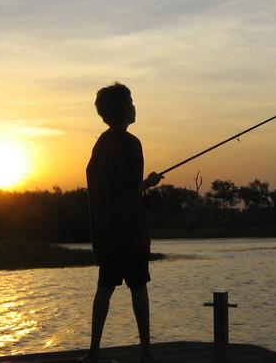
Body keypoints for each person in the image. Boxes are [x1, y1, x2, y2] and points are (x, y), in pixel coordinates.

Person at [80, 82, 163, 363]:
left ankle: (93, 352)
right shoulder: (130, 143)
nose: (134, 105)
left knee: (105, 287)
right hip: (129, 231)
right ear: (124, 110)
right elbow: (127, 188)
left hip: (106, 233)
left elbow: (109, 187)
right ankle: (146, 352)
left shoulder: (101, 144)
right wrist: (148, 184)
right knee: (138, 287)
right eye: (131, 101)